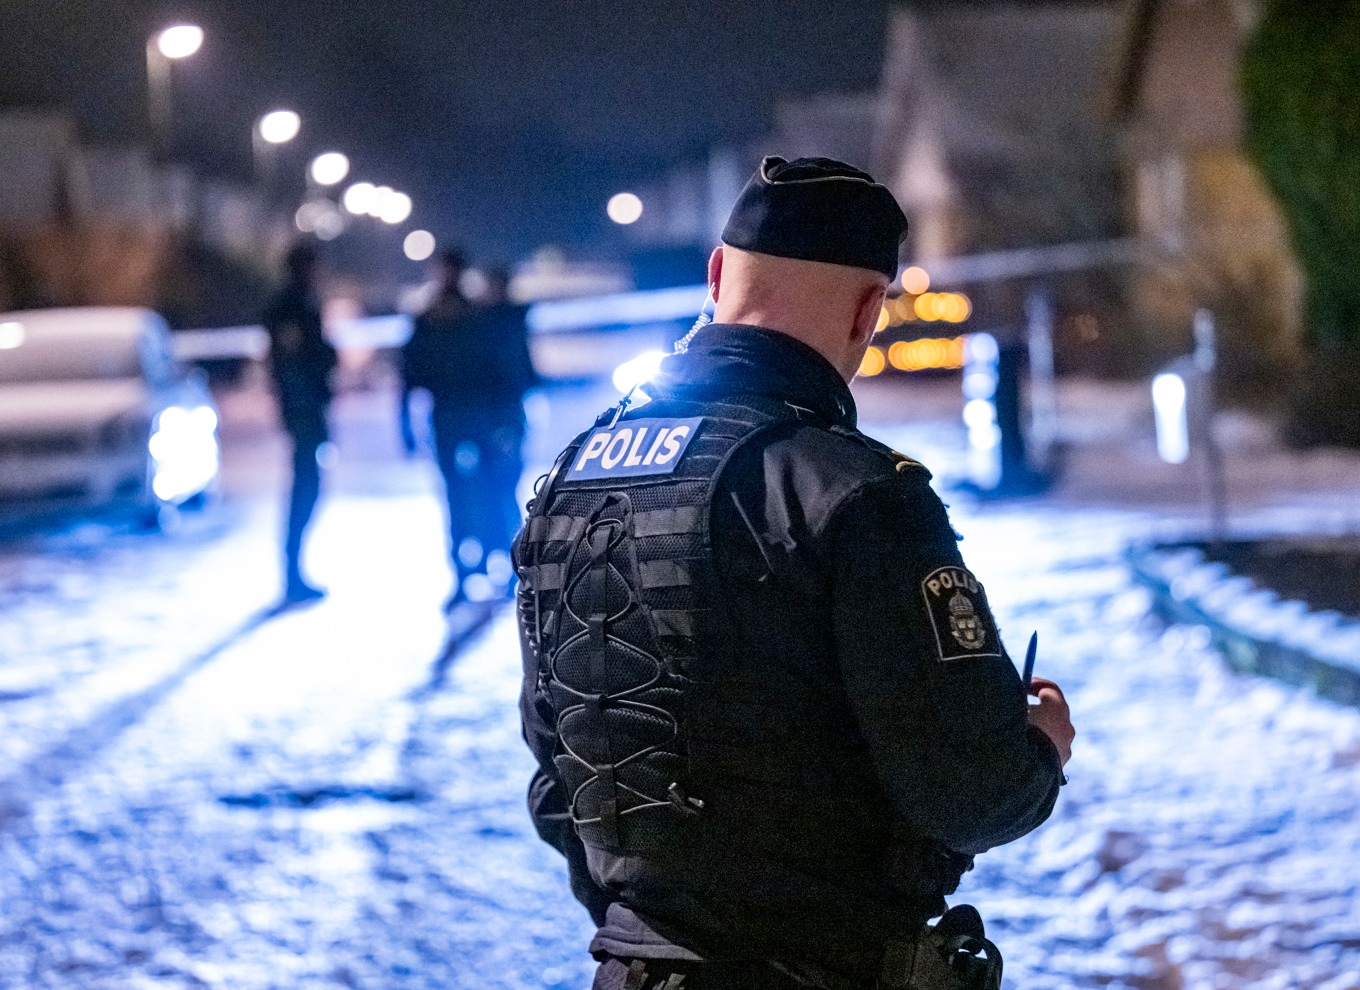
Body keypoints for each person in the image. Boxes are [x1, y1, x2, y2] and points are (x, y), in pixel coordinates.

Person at [516, 157, 1074, 990]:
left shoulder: (569, 481)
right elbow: (968, 788)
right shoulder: (853, 493)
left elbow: (558, 771)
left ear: (715, 275)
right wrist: (1037, 748)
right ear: (865, 309)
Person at [401, 253, 533, 606]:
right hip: (466, 419)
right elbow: (411, 372)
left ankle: (477, 568)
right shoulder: (465, 316)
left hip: (461, 419)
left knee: (473, 494)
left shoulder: (444, 316)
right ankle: (482, 567)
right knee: (479, 493)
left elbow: (411, 374)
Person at [263, 243, 335, 603]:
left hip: (307, 410)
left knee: (309, 486)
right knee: (305, 488)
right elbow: (293, 362)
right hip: (304, 412)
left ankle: (294, 571)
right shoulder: (291, 307)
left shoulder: (298, 304)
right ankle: (292, 572)